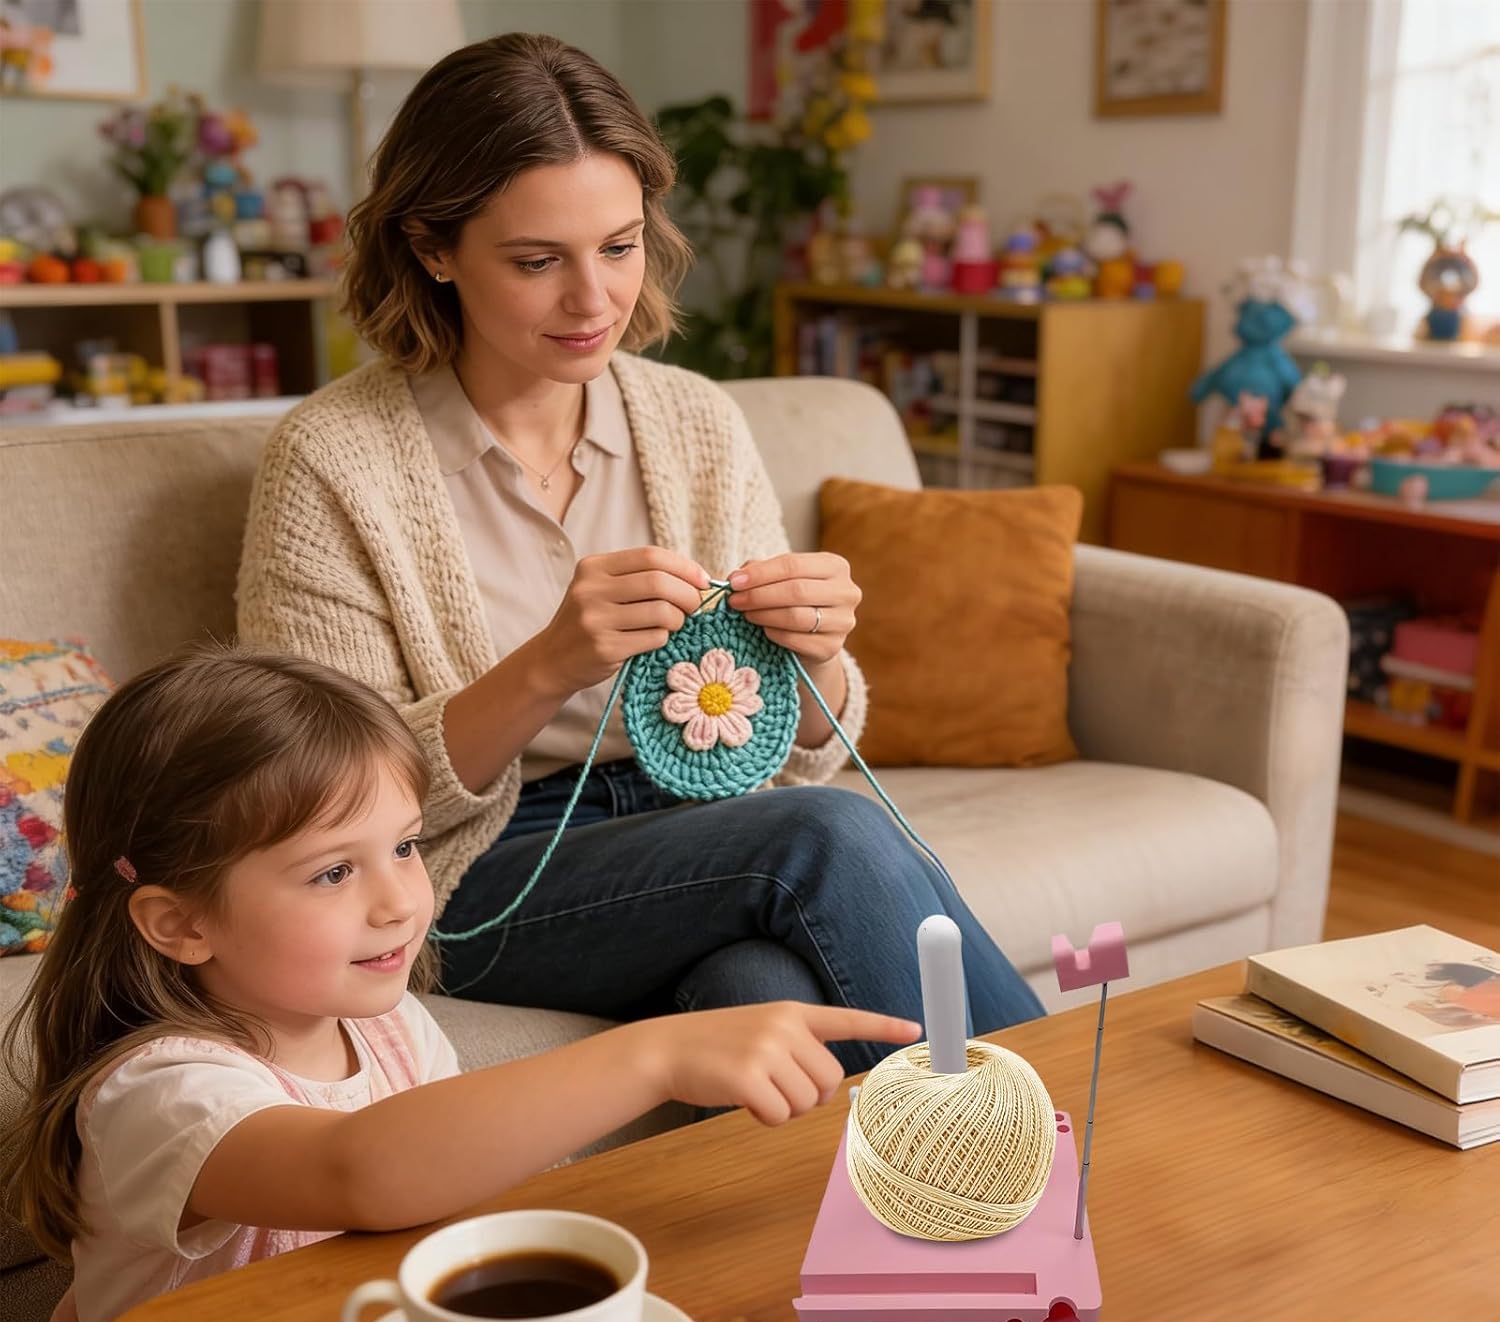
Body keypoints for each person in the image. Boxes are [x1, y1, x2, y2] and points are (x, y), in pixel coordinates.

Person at [237, 31, 1042, 1073]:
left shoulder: (694, 422)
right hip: (471, 875)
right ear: (433, 248)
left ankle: (931, 1221)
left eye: (618, 247)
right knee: (827, 839)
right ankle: (1063, 1141)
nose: (595, 300)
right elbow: (321, 801)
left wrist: (819, 653)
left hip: (703, 833)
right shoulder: (329, 463)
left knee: (764, 996)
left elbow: (805, 748)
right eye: (538, 262)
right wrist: (548, 667)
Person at [0, 644, 918, 1322]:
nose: (403, 898)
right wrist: (654, 1054)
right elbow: (358, 1170)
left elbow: (446, 1192)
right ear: (180, 924)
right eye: (331, 874)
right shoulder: (159, 1094)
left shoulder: (395, 1028)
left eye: (402, 847)